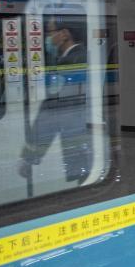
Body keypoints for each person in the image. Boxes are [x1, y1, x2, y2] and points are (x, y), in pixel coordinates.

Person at [19, 13, 92, 184]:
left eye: (50, 32)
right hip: (83, 138)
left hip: (76, 136)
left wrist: (29, 157)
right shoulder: (84, 56)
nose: (48, 38)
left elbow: (52, 112)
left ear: (64, 34)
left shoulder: (70, 62)